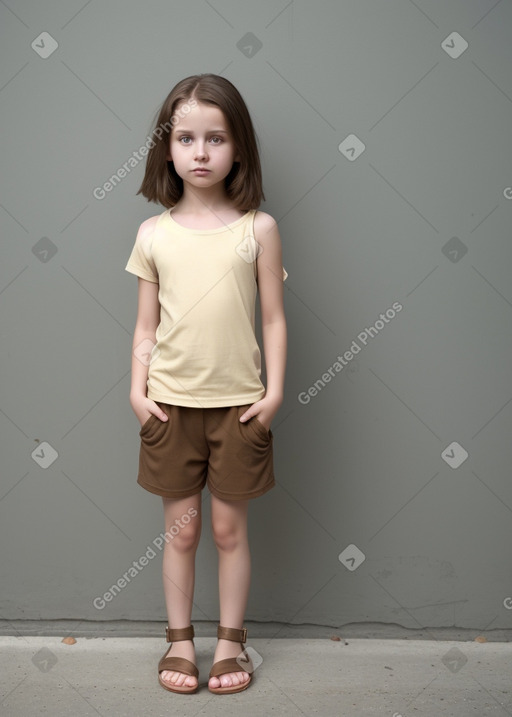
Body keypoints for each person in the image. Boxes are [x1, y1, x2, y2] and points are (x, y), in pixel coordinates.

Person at [125, 73, 287, 695]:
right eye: (186, 138)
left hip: (240, 408)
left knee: (227, 530)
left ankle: (230, 642)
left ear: (238, 147)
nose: (199, 153)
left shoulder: (258, 231)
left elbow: (272, 317)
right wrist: (138, 390)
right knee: (182, 531)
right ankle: (179, 641)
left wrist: (272, 394)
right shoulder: (153, 235)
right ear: (167, 148)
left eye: (215, 139)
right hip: (168, 405)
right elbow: (146, 324)